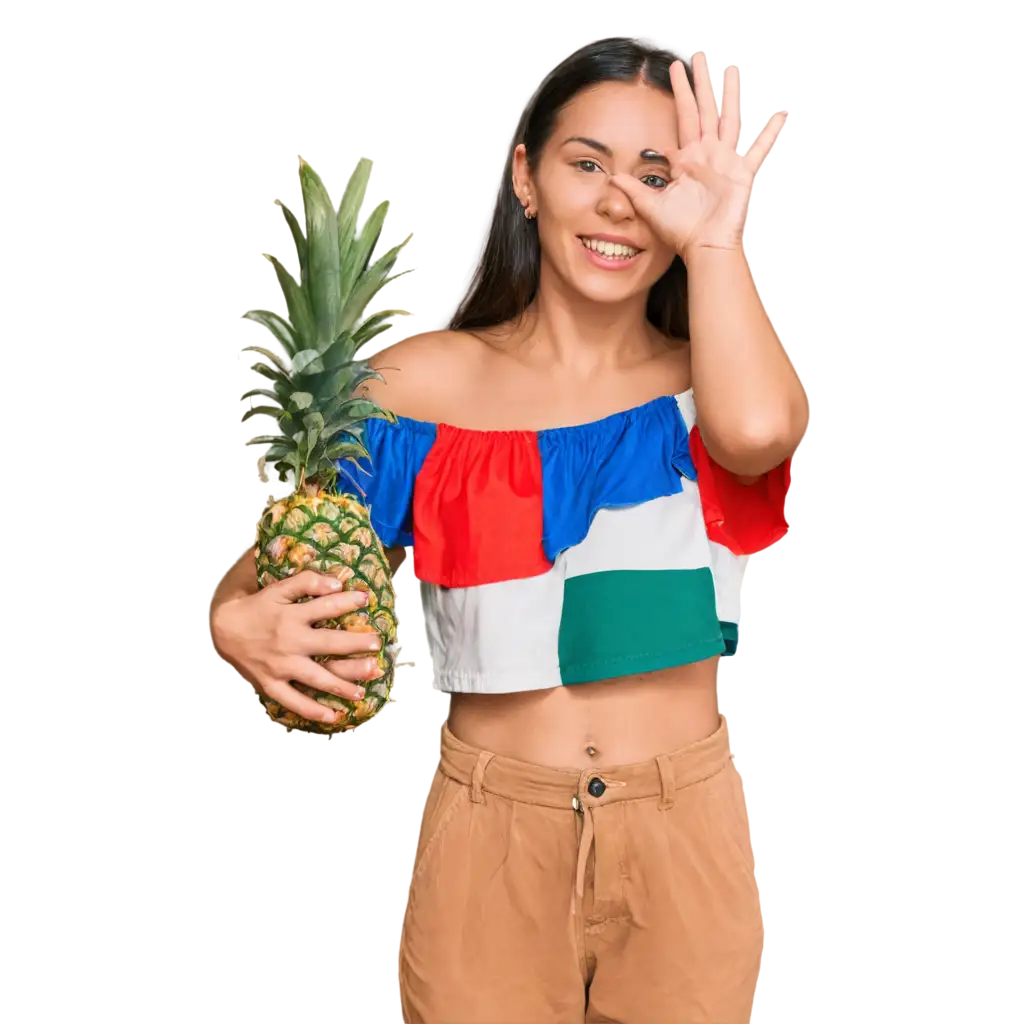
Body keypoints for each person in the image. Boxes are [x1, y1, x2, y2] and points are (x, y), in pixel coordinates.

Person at [210, 31, 807, 1024]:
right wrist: (233, 616)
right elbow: (290, 549)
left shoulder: (708, 377)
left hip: (680, 826)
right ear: (526, 177)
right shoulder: (419, 384)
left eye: (656, 173)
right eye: (588, 163)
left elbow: (755, 435)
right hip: (489, 827)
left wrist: (713, 243)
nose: (620, 200)